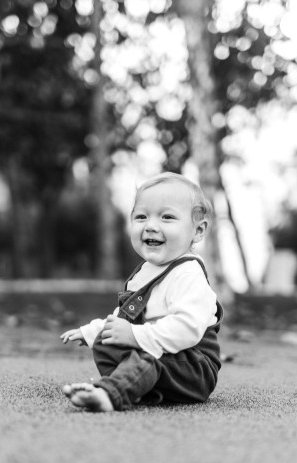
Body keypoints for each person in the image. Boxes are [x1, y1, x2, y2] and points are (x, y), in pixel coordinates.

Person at [60, 172, 223, 412]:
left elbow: (187, 328)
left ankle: (110, 394)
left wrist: (136, 336)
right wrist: (93, 331)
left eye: (167, 217)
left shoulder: (188, 275)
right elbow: (126, 316)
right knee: (106, 344)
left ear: (198, 231)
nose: (151, 226)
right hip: (162, 355)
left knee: (146, 359)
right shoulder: (146, 272)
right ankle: (132, 386)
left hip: (192, 367)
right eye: (141, 217)